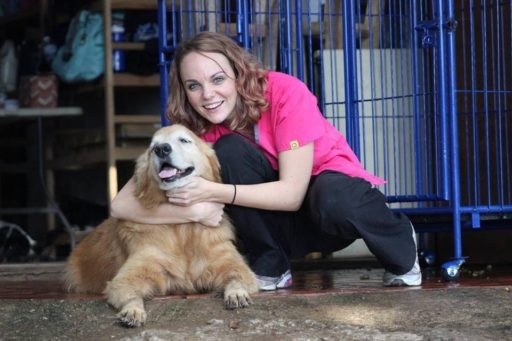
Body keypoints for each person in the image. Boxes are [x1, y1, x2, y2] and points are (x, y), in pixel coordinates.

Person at [111, 31, 421, 291]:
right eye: (194, 86)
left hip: (327, 211)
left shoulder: (285, 91)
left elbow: (291, 195)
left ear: (238, 72)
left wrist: (212, 193)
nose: (208, 95)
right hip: (275, 228)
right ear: (185, 91)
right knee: (230, 148)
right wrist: (194, 210)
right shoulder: (192, 128)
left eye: (218, 79)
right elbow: (120, 205)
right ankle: (271, 264)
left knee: (333, 196)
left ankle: (399, 240)